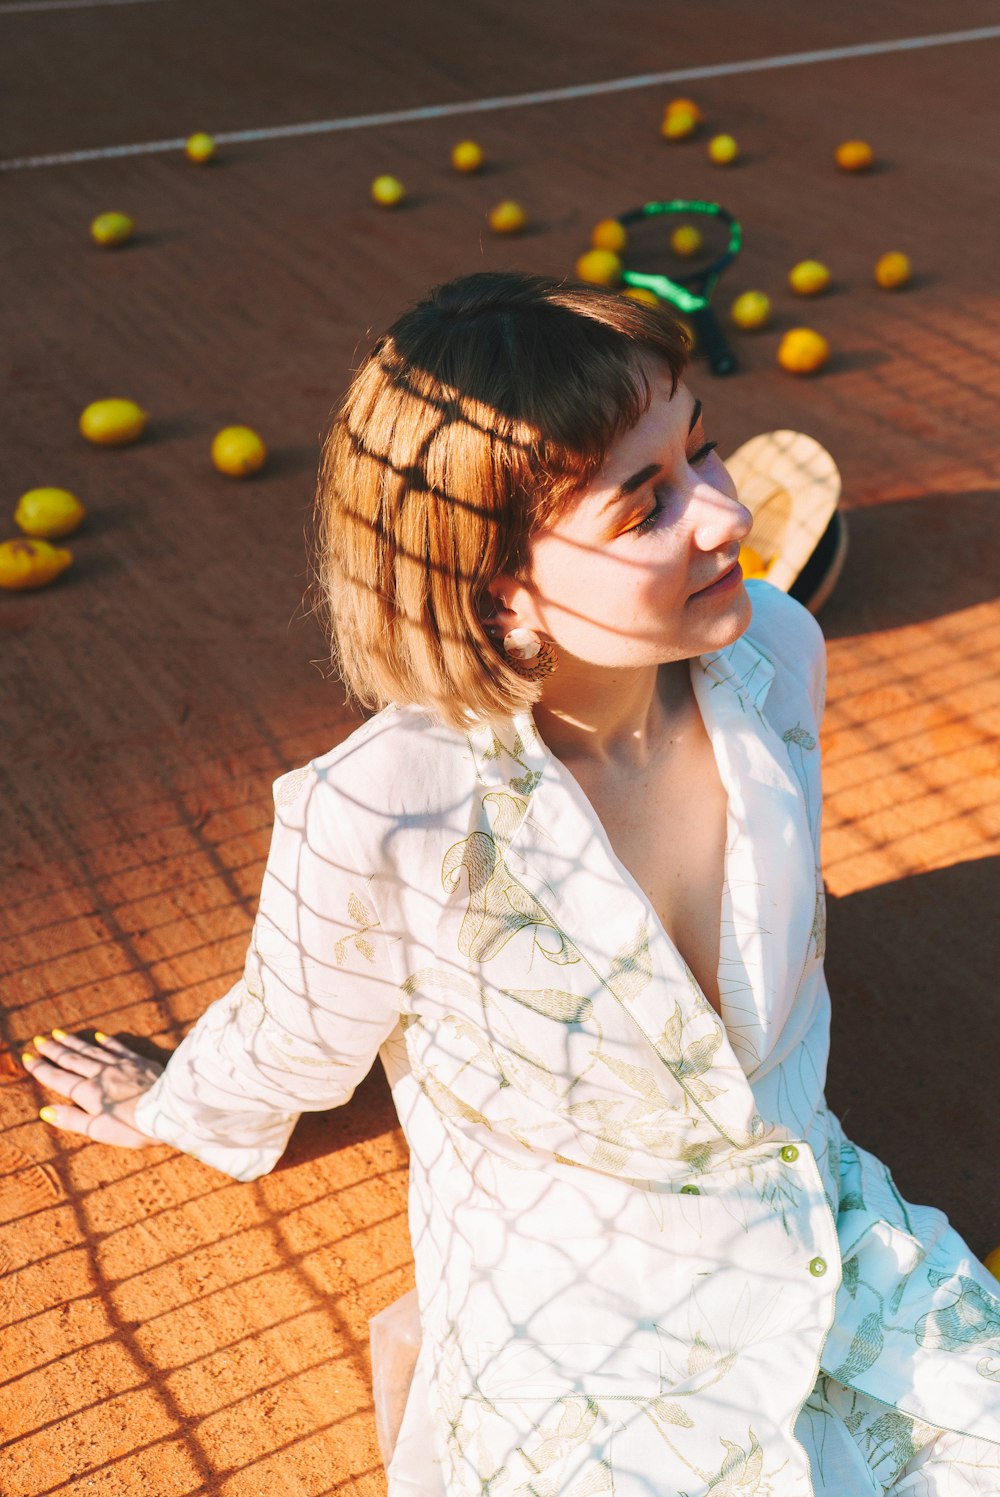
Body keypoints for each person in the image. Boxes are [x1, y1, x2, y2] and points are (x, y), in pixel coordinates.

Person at [24, 271, 1000, 1496]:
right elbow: (293, 1046)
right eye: (645, 504)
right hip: (585, 1307)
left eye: (699, 452)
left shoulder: (775, 647)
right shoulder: (379, 809)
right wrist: (173, 1107)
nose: (726, 514)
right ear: (494, 585)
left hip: (829, 1232)